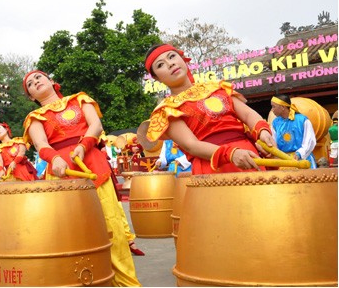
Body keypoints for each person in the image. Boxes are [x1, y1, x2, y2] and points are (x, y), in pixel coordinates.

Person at [22, 70, 141, 286]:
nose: (35, 82)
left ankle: (127, 283)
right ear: (31, 96)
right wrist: (55, 158)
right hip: (60, 173)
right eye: (30, 84)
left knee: (110, 225)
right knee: (70, 233)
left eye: (38, 77)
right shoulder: (34, 118)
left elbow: (96, 126)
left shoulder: (80, 99)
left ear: (51, 81)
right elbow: (41, 145)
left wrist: (84, 145)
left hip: (92, 162)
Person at [139, 43, 276, 174]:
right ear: (156, 78)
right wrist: (231, 153)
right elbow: (191, 145)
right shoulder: (167, 109)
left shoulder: (216, 87)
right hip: (213, 165)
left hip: (248, 156)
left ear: (182, 59)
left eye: (172, 56)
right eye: (161, 65)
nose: (170, 64)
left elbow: (248, 115)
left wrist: (262, 131)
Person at [270, 94, 317, 169]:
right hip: (285, 162)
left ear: (283, 107)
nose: (272, 110)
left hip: (303, 160)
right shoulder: (275, 123)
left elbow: (310, 141)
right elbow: (273, 142)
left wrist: (299, 154)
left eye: (274, 106)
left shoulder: (302, 120)